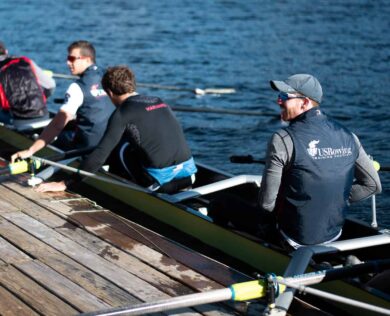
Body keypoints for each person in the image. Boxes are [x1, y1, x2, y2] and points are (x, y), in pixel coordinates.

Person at [210, 74, 381, 250]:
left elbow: (266, 204)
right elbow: (373, 185)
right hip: (334, 234)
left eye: (284, 97)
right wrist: (337, 199)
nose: (278, 101)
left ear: (305, 103)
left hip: (292, 237)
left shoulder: (282, 139)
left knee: (221, 201)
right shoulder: (349, 136)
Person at [33, 65, 197, 194]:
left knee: (120, 148)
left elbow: (99, 155)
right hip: (190, 176)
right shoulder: (158, 100)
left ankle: (131, 183)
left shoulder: (122, 113)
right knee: (130, 141)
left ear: (109, 92)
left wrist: (65, 183)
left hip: (160, 184)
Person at [11, 40, 113, 162]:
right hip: (111, 146)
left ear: (87, 59)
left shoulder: (77, 87)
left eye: (72, 58)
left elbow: (57, 125)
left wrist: (31, 150)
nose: (68, 62)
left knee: (60, 136)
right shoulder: (110, 76)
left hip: (87, 151)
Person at [0, 41, 56, 125]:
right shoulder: (26, 62)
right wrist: (41, 99)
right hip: (42, 114)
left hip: (18, 120)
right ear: (6, 51)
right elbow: (51, 85)